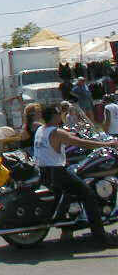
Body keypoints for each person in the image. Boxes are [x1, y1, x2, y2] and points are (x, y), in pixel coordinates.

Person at [34, 105, 118, 246]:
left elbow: (67, 137)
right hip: (57, 172)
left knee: (74, 191)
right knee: (88, 195)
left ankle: (69, 228)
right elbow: (82, 144)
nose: (60, 116)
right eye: (59, 114)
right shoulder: (56, 132)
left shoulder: (41, 130)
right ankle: (100, 237)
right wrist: (108, 143)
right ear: (54, 116)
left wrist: (74, 133)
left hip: (44, 172)